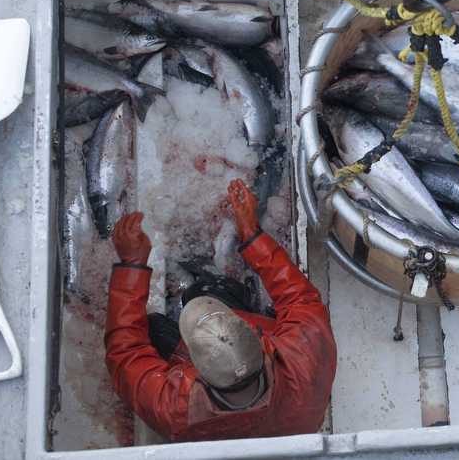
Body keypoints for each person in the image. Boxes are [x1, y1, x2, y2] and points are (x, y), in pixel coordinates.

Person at [104, 179, 336, 442]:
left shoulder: (175, 409)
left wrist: (131, 266)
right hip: (290, 419)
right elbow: (301, 299)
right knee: (206, 290)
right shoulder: (305, 356)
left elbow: (124, 355)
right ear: (260, 342)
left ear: (195, 370)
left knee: (154, 327)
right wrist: (252, 234)